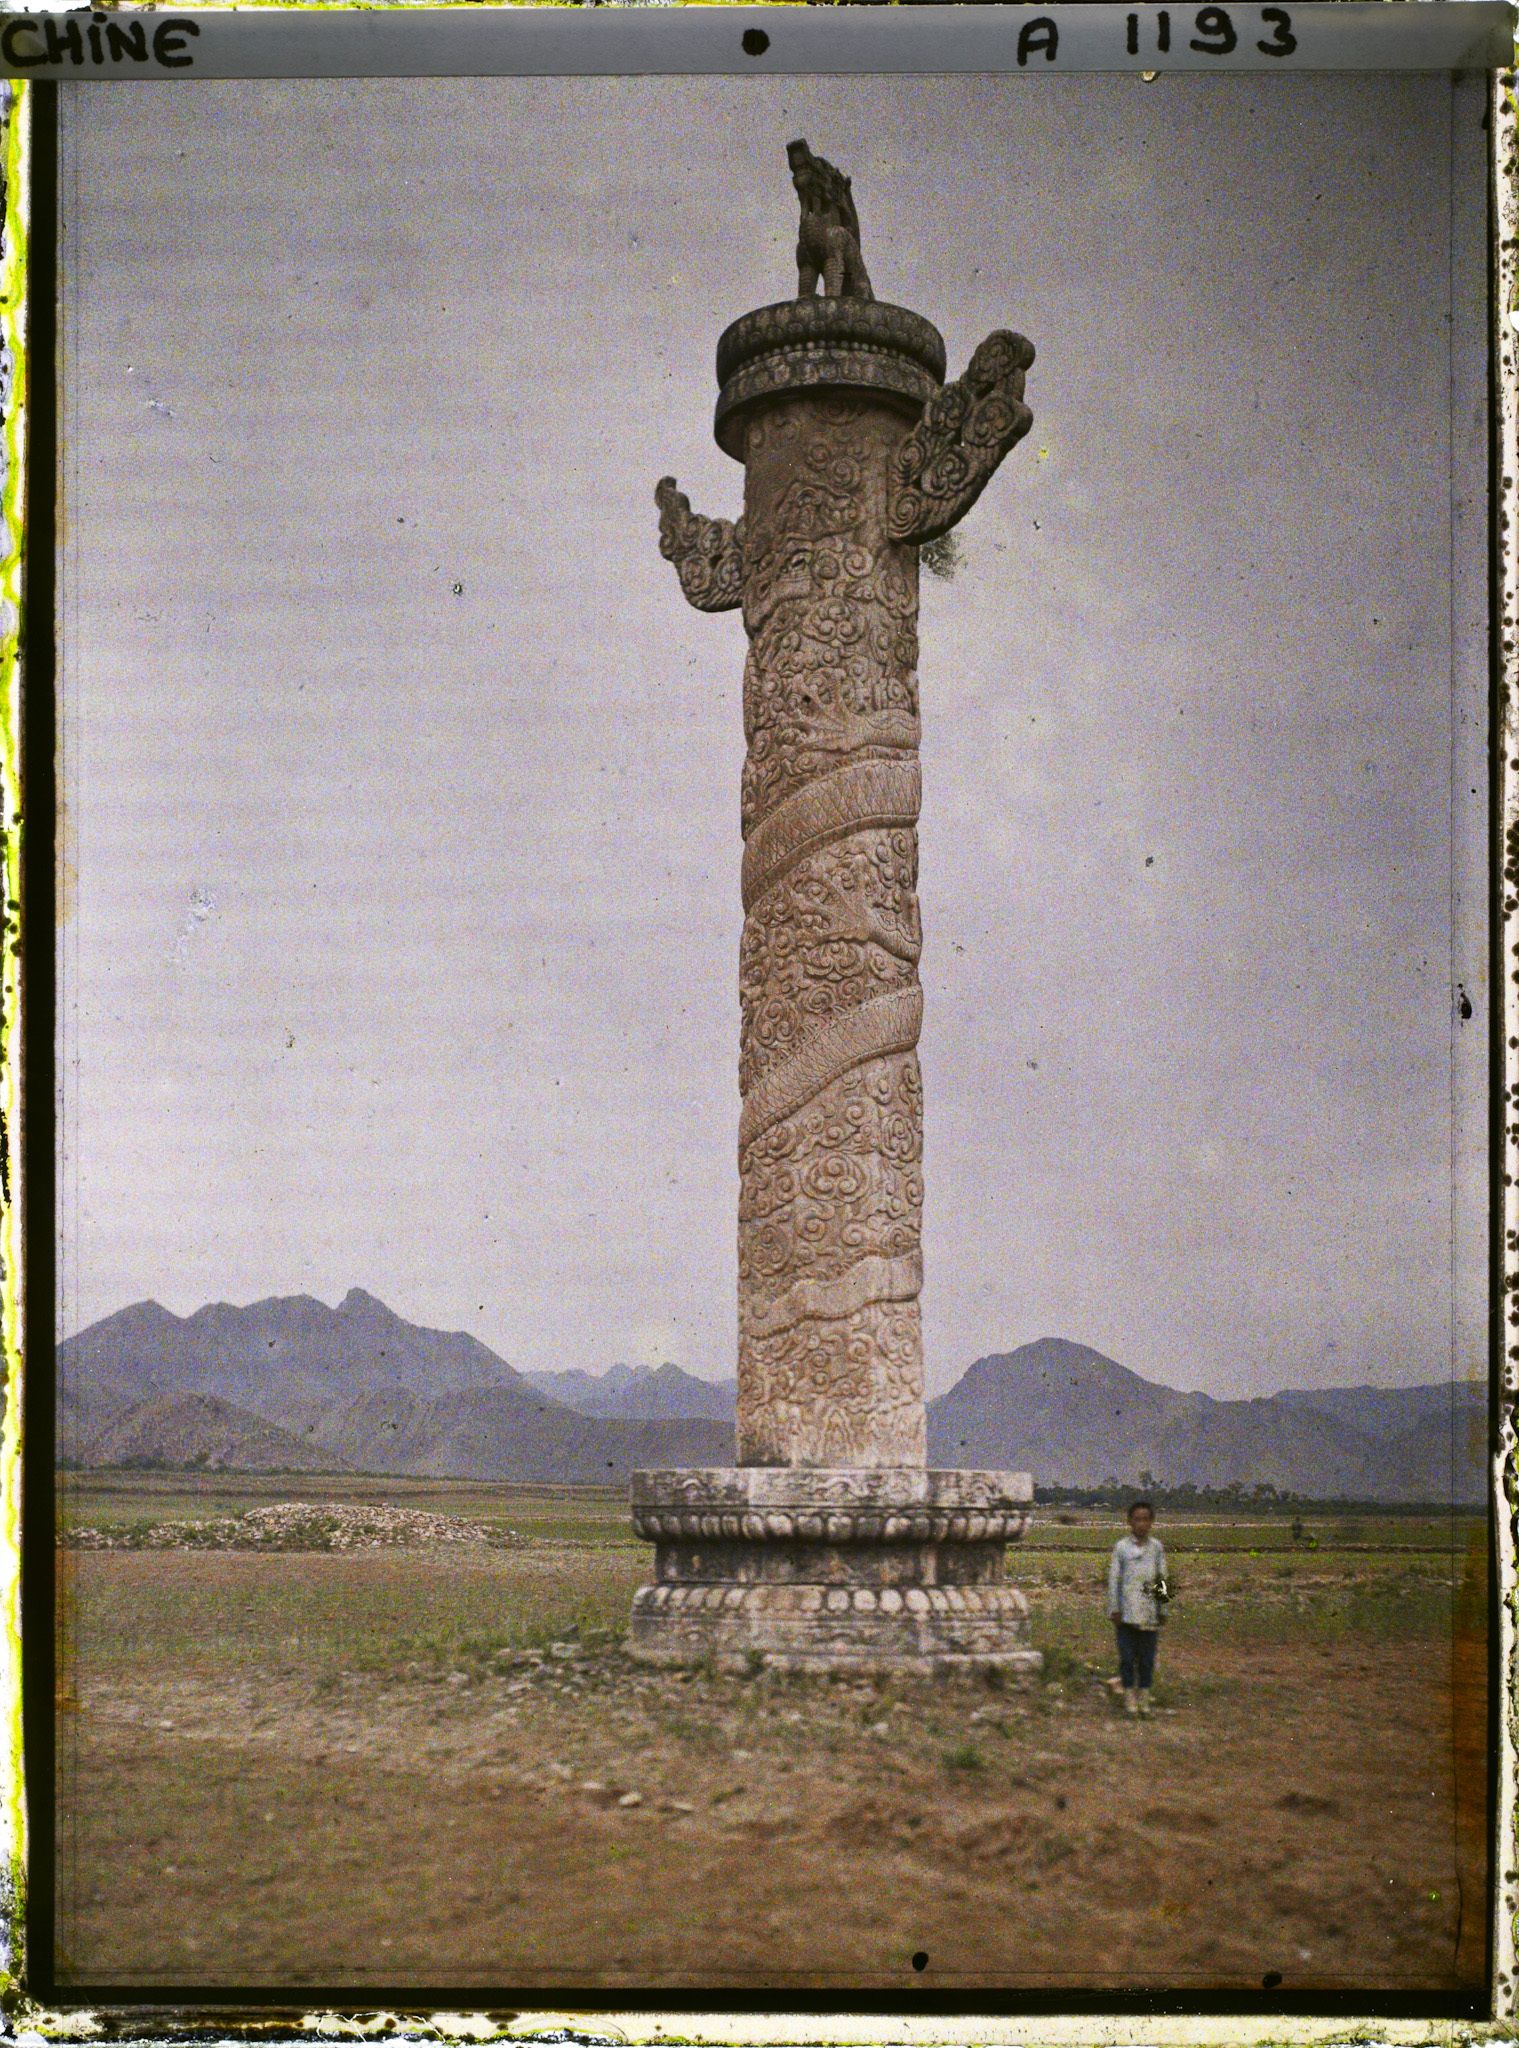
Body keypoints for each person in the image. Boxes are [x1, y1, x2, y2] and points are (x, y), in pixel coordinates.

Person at [1107, 1499, 1167, 1718]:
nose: (1141, 1524)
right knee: (1127, 1656)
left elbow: (1161, 1578)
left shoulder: (1156, 1548)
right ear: (1129, 1522)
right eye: (1137, 1519)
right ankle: (1129, 1699)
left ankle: (1144, 1699)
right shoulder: (1121, 1547)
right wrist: (1115, 1608)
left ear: (1151, 1522)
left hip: (1149, 1612)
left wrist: (1163, 1609)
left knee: (1146, 1658)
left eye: (1146, 1519)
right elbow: (1114, 1579)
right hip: (1126, 1613)